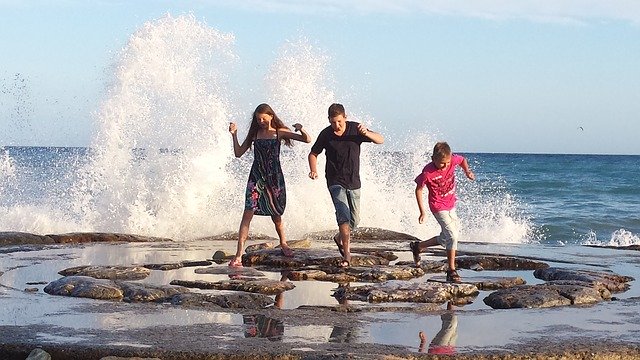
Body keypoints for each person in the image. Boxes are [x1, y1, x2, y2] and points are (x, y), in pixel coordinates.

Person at [228, 103, 312, 267]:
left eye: (264, 119)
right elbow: (238, 153)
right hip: (256, 177)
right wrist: (234, 135)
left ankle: (284, 243)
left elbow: (307, 140)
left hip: (274, 178)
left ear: (271, 116)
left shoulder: (280, 132)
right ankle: (238, 254)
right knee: (247, 213)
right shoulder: (255, 134)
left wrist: (301, 129)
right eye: (258, 119)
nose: (261, 122)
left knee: (276, 215)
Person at [308, 103, 384, 267]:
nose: (337, 125)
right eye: (333, 122)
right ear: (329, 120)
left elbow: (380, 140)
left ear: (345, 117)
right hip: (335, 181)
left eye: (340, 122)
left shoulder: (355, 129)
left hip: (354, 181)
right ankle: (347, 255)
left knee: (354, 221)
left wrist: (367, 133)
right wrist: (313, 170)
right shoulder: (326, 134)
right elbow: (313, 153)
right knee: (343, 214)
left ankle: (339, 237)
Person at [410, 142, 475, 282]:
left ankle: (418, 246)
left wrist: (467, 171)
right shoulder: (427, 172)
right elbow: (419, 190)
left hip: (451, 204)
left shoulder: (452, 160)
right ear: (433, 158)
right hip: (438, 206)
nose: (445, 166)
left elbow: (462, 160)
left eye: (447, 163)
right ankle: (451, 270)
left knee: (446, 238)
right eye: (441, 164)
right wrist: (422, 212)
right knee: (452, 235)